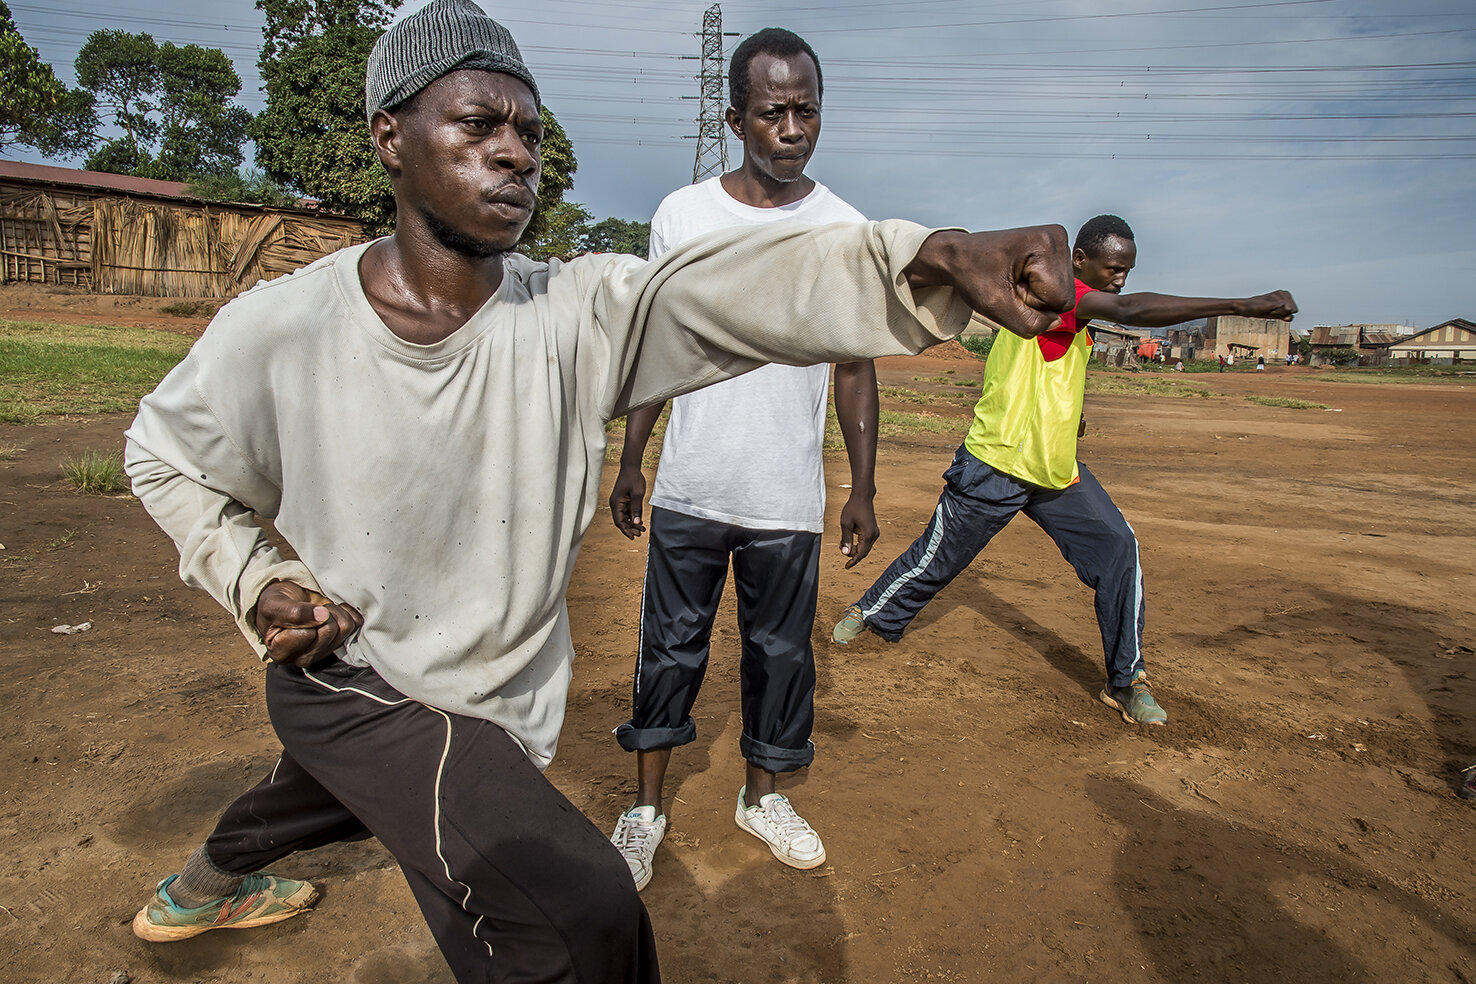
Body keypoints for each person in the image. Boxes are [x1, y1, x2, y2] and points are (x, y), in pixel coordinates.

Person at [119, 1, 1077, 979]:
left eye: (531, 134)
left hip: (499, 693)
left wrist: (934, 262)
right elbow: (162, 454)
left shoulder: (573, 318)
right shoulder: (283, 328)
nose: (516, 155)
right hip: (356, 676)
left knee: (327, 797)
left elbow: (743, 297)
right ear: (390, 138)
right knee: (583, 921)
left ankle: (200, 888)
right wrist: (254, 577)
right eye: (479, 125)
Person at [832, 214, 1296, 727]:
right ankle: (870, 614)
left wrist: (1072, 417)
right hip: (996, 463)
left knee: (1119, 550)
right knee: (937, 560)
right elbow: (1131, 309)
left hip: (1057, 472)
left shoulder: (1079, 312)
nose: (1121, 279)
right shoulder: (1059, 295)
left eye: (1128, 270)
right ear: (1078, 262)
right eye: (1114, 268)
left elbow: (1059, 366)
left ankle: (1126, 680)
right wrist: (1244, 306)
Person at [605, 28, 874, 890]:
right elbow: (656, 346)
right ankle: (645, 809)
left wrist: (860, 488)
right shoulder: (684, 217)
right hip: (692, 483)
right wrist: (632, 459)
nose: (792, 129)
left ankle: (762, 798)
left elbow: (855, 366)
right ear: (735, 119)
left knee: (782, 654)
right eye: (773, 112)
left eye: (807, 111)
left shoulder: (844, 228)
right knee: (670, 648)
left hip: (785, 495)